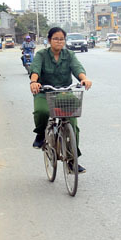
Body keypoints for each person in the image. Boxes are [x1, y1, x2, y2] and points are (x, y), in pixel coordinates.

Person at [28, 27, 93, 173]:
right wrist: (34, 82)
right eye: (56, 38)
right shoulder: (41, 54)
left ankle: (72, 161)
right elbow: (35, 70)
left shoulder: (69, 54)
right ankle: (40, 133)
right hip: (44, 91)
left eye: (62, 39)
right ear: (50, 40)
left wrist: (84, 79)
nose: (59, 41)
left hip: (64, 93)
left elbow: (77, 68)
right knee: (42, 111)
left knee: (73, 124)